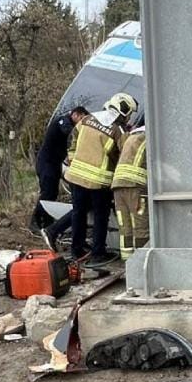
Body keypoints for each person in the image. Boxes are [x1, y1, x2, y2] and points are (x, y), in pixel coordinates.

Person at [63, 93, 137, 264]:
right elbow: (124, 155)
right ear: (123, 112)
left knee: (78, 214)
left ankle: (76, 250)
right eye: (129, 114)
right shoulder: (117, 131)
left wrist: (73, 160)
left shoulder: (87, 119)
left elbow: (72, 140)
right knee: (100, 217)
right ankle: (98, 253)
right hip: (99, 182)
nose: (128, 118)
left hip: (76, 177)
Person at [33, 106, 88, 239]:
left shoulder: (69, 124)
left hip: (55, 164)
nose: (81, 122)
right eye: (81, 118)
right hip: (46, 163)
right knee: (47, 192)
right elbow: (67, 131)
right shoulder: (62, 121)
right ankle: (35, 221)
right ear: (75, 114)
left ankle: (47, 222)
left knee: (53, 193)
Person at [111, 124, 148, 260]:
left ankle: (127, 260)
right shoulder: (150, 137)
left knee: (125, 226)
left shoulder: (131, 137)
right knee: (141, 226)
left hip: (118, 185)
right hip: (135, 186)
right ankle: (141, 261)